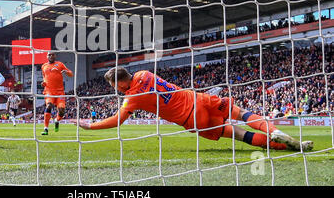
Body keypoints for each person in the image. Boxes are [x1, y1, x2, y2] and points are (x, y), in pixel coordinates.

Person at [77, 67, 313, 151]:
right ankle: (276, 132)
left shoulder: (132, 98)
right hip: (197, 98)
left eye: (115, 87)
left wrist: (90, 126)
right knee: (240, 113)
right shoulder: (145, 73)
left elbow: (116, 121)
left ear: (119, 84)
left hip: (192, 119)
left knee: (237, 133)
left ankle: (281, 146)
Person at [40, 51, 73, 135]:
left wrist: (66, 72)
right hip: (49, 91)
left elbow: (71, 74)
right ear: (47, 56)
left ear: (55, 56)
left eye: (52, 55)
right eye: (49, 55)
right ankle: (46, 129)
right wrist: (43, 83)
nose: (51, 56)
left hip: (60, 92)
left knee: (62, 110)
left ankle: (57, 120)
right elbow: (44, 78)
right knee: (49, 105)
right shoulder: (44, 66)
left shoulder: (60, 64)